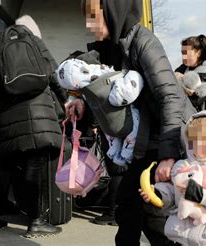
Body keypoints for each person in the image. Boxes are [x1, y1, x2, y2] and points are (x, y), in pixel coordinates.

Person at [68, 0, 195, 245]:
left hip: (166, 135)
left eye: (94, 16)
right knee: (127, 208)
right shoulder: (109, 48)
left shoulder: (144, 42)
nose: (89, 24)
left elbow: (170, 98)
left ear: (114, 13)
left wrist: (168, 155)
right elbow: (103, 89)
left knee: (152, 214)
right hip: (143, 139)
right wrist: (82, 102)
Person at [0, 15, 67, 238]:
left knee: (3, 167)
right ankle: (36, 221)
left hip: (8, 116)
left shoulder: (0, 44)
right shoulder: (36, 43)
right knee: (33, 168)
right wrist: (66, 101)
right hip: (37, 114)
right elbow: (54, 75)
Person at [140, 110, 206, 245]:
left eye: (205, 141)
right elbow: (174, 191)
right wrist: (158, 194)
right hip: (181, 236)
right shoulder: (183, 166)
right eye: (194, 141)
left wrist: (202, 195)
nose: (198, 145)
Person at [175, 35, 206, 111]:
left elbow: (196, 101)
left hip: (202, 119)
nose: (183, 57)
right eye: (182, 53)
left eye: (186, 53)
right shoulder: (182, 69)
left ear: (198, 53)